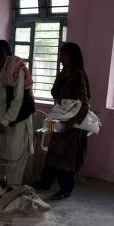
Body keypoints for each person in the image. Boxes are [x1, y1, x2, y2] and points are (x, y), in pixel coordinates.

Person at [37, 42, 91, 200]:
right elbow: (54, 93)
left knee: (66, 159)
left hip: (71, 124)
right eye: (60, 55)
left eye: (63, 56)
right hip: (60, 119)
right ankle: (45, 183)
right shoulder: (64, 73)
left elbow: (85, 102)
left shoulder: (79, 74)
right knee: (54, 153)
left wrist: (72, 122)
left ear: (72, 57)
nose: (61, 59)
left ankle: (66, 189)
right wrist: (60, 78)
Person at [0, 44, 35, 189]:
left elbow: (17, 100)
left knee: (16, 154)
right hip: (4, 119)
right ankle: (1, 182)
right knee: (2, 150)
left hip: (19, 118)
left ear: (1, 60)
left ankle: (14, 188)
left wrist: (5, 121)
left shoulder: (17, 70)